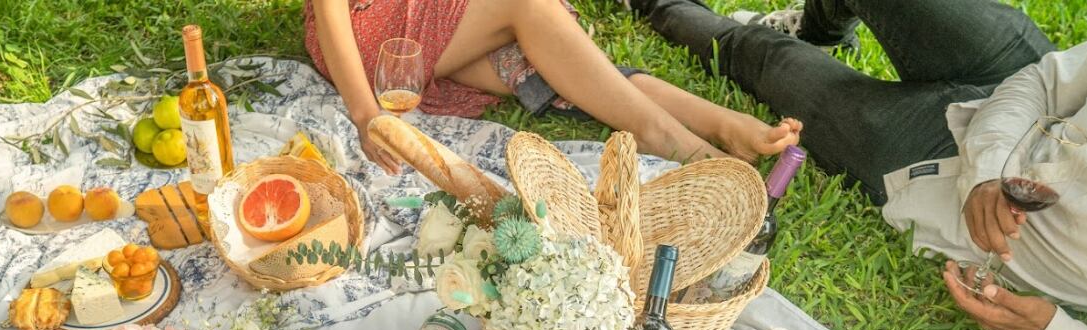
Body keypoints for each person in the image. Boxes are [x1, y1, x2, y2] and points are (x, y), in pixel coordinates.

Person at [631, 1, 1087, 330]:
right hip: (1018, 90)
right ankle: (818, 29)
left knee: (765, 57)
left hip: (937, 175)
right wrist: (990, 171)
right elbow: (1045, 81)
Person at [303, 0, 803, 173]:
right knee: (528, 10)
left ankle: (717, 123)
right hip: (366, 30)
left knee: (564, 59)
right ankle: (670, 138)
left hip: (429, 12)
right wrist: (366, 114)